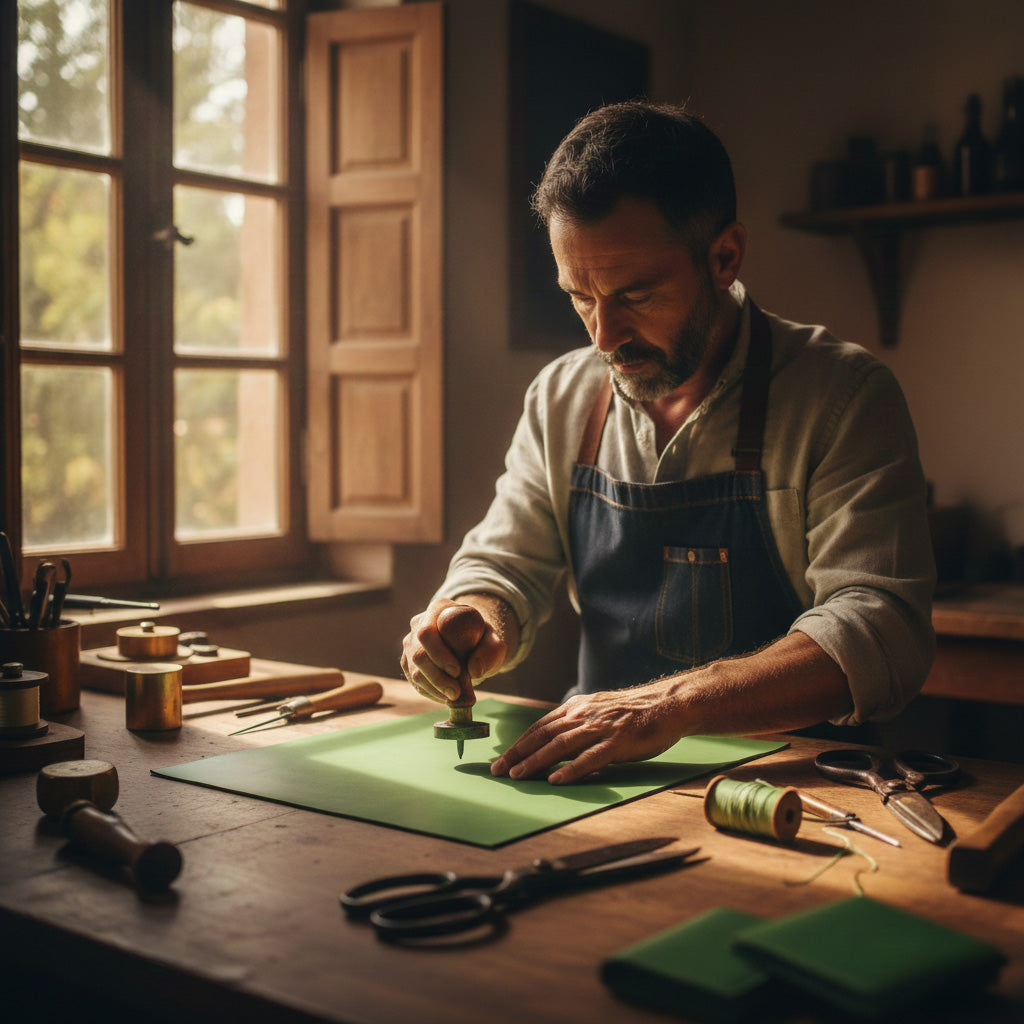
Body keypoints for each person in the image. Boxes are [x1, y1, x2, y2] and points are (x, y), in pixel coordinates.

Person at [401, 101, 936, 785]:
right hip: (591, 780)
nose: (604, 336)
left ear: (724, 256)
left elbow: (883, 627)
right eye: (580, 297)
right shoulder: (561, 397)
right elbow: (506, 563)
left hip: (791, 792)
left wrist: (670, 704)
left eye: (636, 295)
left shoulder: (842, 396)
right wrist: (471, 617)